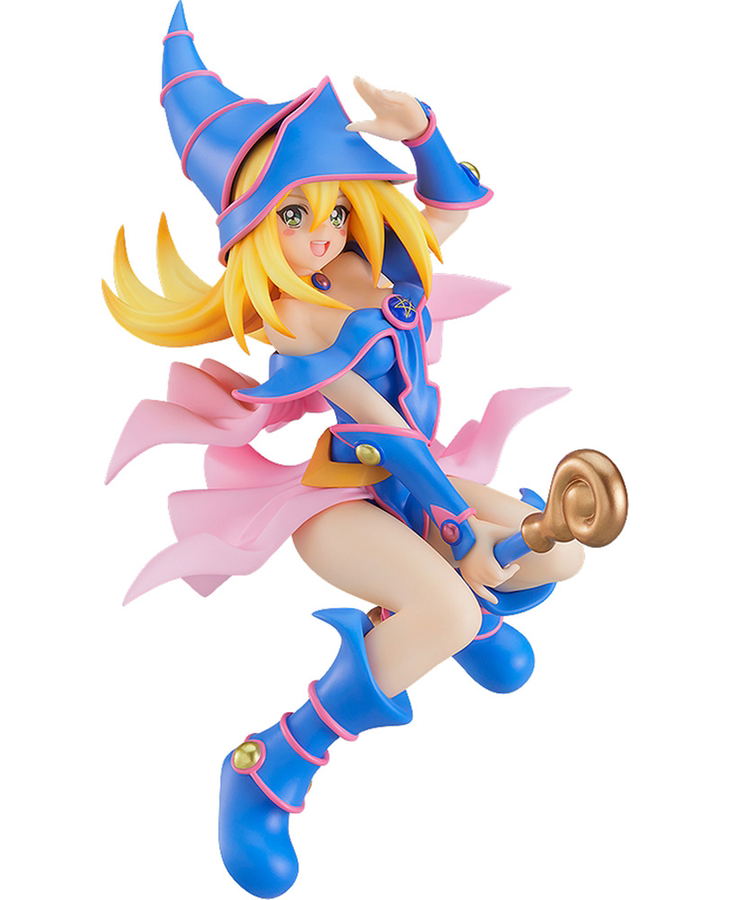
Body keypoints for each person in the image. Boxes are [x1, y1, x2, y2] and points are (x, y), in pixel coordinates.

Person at [104, 5, 591, 896]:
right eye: (296, 212)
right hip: (341, 500)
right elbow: (383, 430)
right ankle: (271, 765)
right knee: (452, 614)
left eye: (332, 205)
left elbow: (451, 205)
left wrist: (423, 132)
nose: (324, 229)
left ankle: (431, 611)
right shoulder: (299, 323)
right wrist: (457, 528)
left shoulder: (377, 264)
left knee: (559, 556)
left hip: (413, 486)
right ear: (256, 229)